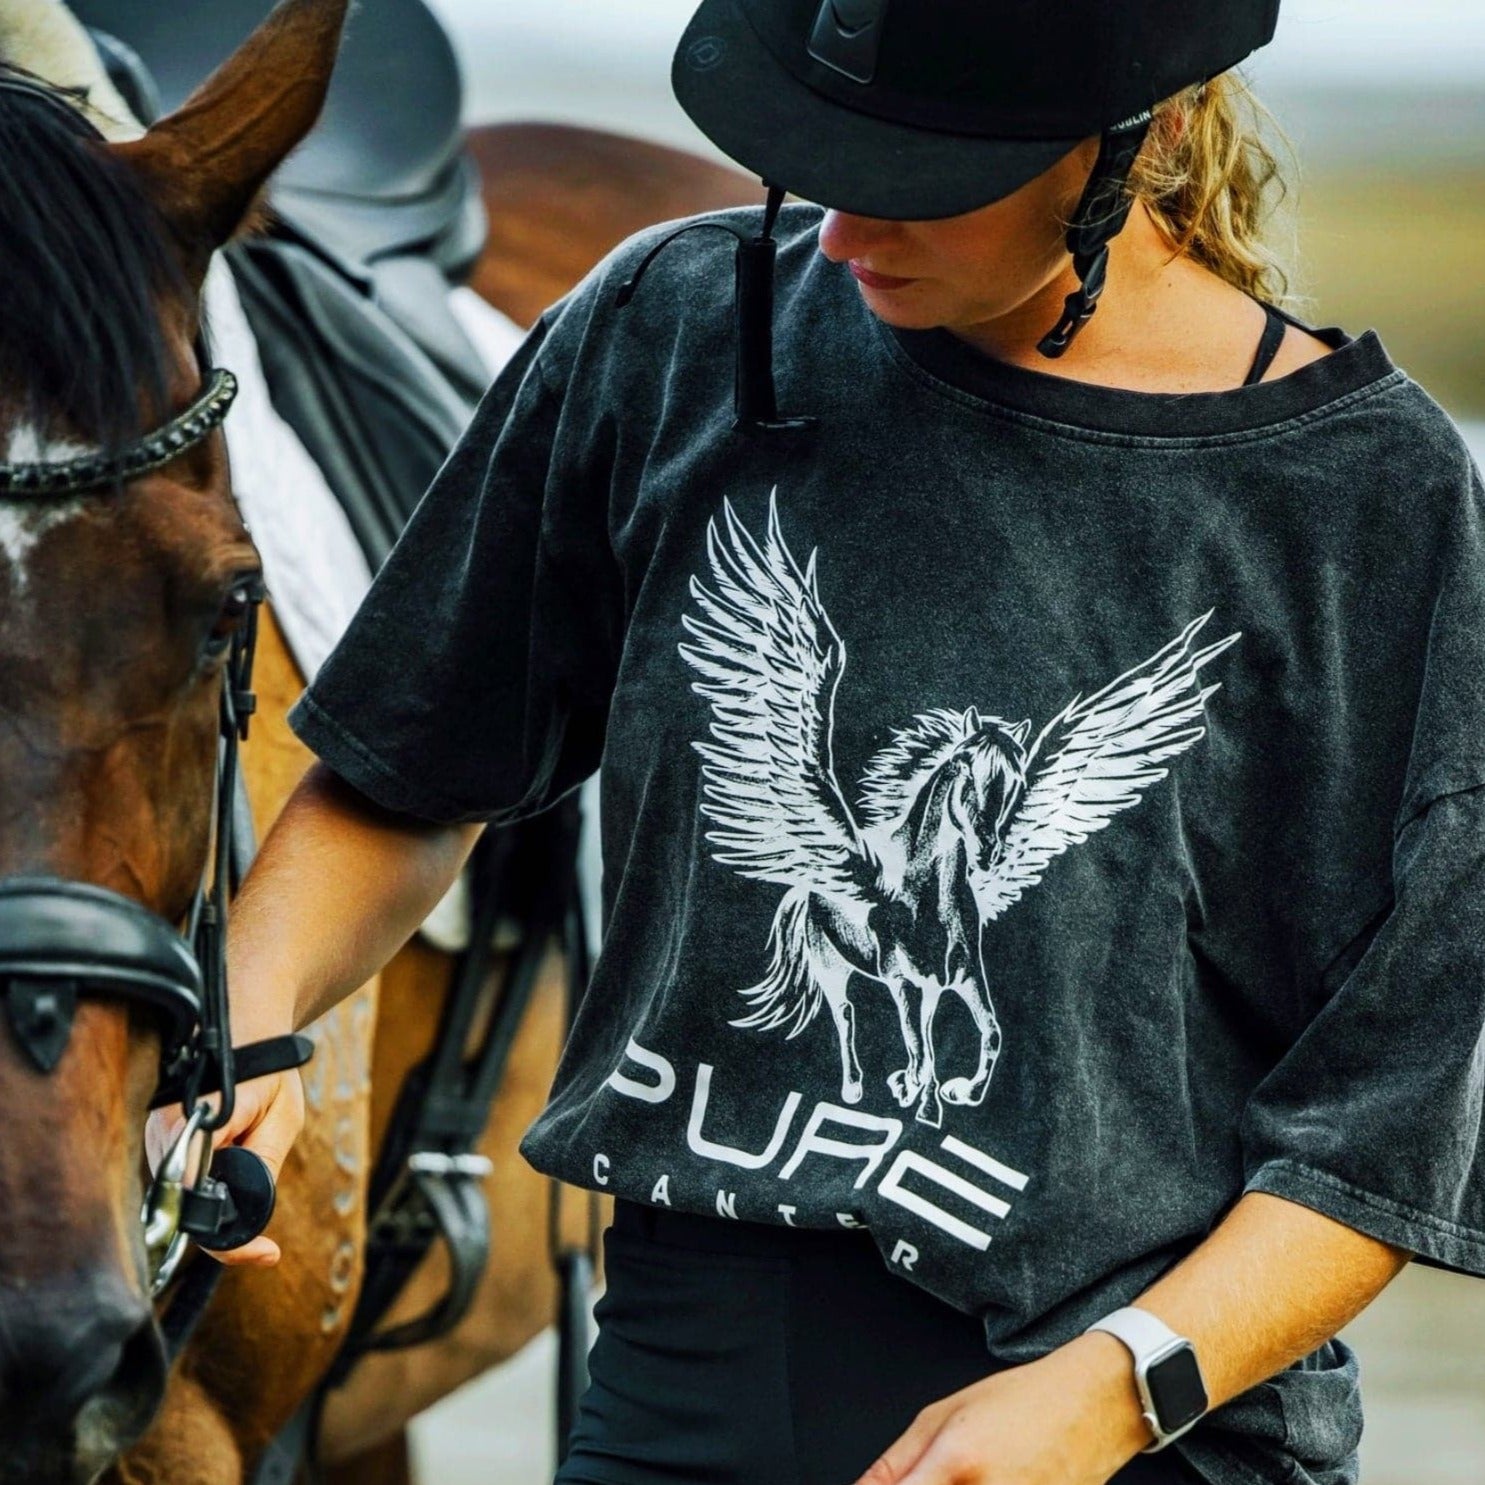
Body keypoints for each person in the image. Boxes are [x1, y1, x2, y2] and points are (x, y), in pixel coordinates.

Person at [187, 2, 1485, 1482]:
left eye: (921, 178)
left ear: (1145, 141)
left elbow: (1378, 1130)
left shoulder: (1366, 498)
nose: (845, 231)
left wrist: (1110, 1392)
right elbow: (408, 768)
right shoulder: (669, 332)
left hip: (1125, 1420)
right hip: (681, 1384)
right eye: (811, 161)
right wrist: (253, 1005)